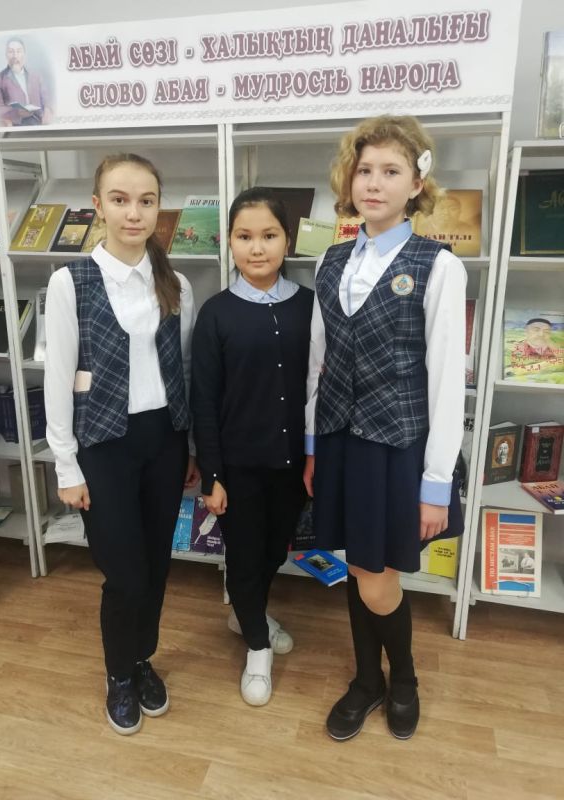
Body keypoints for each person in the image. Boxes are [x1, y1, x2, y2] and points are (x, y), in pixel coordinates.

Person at [303, 115, 466, 741]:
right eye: (364, 169)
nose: (374, 183)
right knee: (357, 562)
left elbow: (446, 381)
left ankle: (404, 681)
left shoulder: (437, 266)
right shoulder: (332, 260)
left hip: (396, 447)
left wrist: (436, 481)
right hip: (339, 440)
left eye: (390, 171)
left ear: (416, 184)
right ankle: (367, 680)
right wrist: (313, 444)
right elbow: (319, 360)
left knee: (377, 577)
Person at [44, 152, 198, 736]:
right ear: (98, 206)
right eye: (120, 199)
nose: (134, 213)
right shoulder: (71, 282)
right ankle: (117, 674)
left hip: (164, 440)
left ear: (159, 208)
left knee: (156, 565)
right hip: (104, 445)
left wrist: (190, 447)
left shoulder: (175, 283)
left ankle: (141, 659)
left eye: (146, 201)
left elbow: (182, 368)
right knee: (125, 573)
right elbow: (59, 377)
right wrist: (66, 465)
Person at [191, 187, 313, 706]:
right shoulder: (216, 313)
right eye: (244, 236)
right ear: (230, 242)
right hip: (238, 467)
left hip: (293, 464)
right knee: (243, 557)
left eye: (269, 235)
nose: (257, 248)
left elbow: (319, 385)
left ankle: (248, 616)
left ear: (287, 241)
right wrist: (212, 474)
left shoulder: (310, 305)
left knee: (273, 551)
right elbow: (204, 399)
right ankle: (257, 648)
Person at [0, 37, 53, 126]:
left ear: (24, 54)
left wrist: (48, 110)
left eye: (18, 51)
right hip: (16, 125)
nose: (15, 56)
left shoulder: (36, 76)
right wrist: (17, 112)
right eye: (11, 52)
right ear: (6, 55)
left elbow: (46, 98)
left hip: (39, 122)